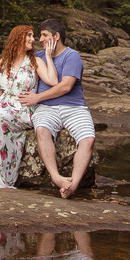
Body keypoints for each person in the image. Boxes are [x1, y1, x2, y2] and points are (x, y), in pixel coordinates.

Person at [0, 25, 57, 188]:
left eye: (33, 36)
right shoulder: (4, 62)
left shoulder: (35, 61)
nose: (33, 39)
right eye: (28, 35)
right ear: (17, 38)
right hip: (2, 106)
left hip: (22, 108)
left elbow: (53, 81)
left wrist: (48, 57)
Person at [18, 18, 95, 199]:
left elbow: (66, 86)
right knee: (42, 130)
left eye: (44, 35)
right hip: (47, 108)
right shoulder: (37, 56)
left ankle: (72, 185)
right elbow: (16, 74)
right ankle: (57, 178)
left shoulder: (72, 56)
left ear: (56, 36)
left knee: (88, 139)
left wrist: (37, 97)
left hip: (74, 107)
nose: (40, 39)